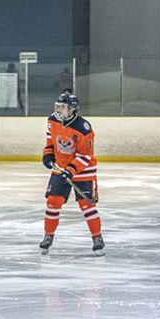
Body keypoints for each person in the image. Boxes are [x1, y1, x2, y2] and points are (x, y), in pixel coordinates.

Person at [41, 93, 104, 255]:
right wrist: (48, 154)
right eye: (58, 106)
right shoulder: (52, 121)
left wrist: (70, 170)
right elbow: (50, 140)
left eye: (63, 106)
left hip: (84, 171)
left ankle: (97, 237)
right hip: (61, 169)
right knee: (53, 202)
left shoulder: (83, 128)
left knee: (87, 205)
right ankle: (48, 236)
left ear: (72, 109)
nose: (59, 109)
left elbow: (85, 156)